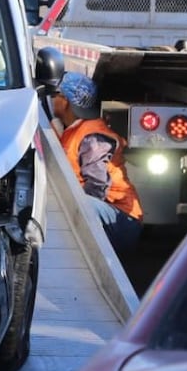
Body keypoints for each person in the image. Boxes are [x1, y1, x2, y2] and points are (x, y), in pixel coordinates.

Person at [50, 72, 144, 256]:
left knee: (72, 204)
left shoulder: (93, 137)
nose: (53, 99)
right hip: (107, 213)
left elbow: (97, 186)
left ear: (66, 101)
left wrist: (69, 204)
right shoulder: (73, 130)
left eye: (56, 95)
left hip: (121, 221)